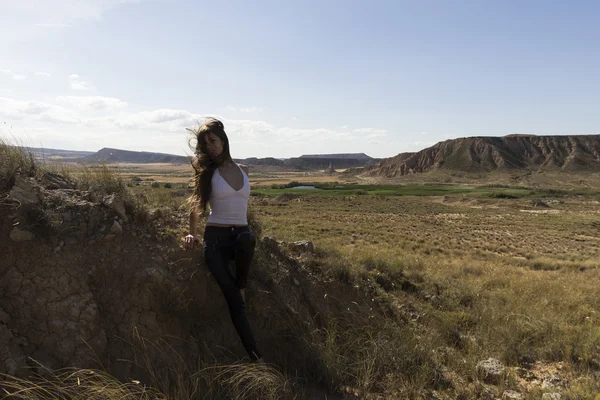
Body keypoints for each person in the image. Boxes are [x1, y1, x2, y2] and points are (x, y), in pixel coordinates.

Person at [183, 117, 262, 362]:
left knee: (247, 239)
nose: (210, 147)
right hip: (216, 241)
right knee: (236, 305)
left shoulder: (244, 170)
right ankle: (257, 359)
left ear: (224, 140)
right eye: (206, 144)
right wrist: (192, 234)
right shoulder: (209, 174)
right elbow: (196, 207)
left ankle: (242, 284)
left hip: (240, 236)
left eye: (214, 141)